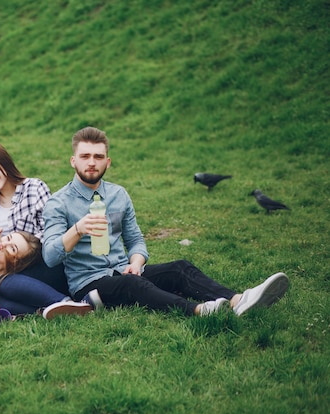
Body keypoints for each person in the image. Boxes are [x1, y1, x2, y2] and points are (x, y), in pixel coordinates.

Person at [41, 126, 289, 319]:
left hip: (124, 270)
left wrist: (136, 262)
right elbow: (50, 256)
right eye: (85, 156)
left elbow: (135, 240)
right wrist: (77, 229)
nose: (92, 162)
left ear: (108, 161)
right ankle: (200, 310)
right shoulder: (59, 203)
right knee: (133, 284)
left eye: (98, 156)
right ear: (73, 161)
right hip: (89, 284)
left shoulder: (118, 195)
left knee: (179, 267)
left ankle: (238, 300)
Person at [0, 142, 70, 296]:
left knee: (0, 283)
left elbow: (51, 232)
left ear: (5, 164)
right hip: (5, 268)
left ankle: (59, 300)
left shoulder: (34, 188)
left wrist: (22, 248)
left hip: (39, 265)